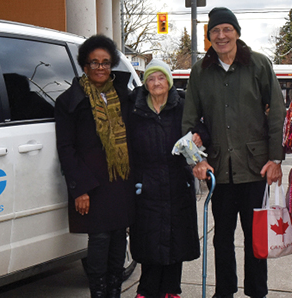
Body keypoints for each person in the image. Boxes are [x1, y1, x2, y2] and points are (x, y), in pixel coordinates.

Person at [182, 7, 286, 298]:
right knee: (222, 240)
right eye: (215, 31)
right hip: (219, 171)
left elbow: (277, 113)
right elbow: (189, 121)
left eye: (227, 29)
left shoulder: (259, 65)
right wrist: (197, 160)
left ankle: (257, 292)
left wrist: (276, 159)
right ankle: (224, 292)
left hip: (256, 169)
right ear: (209, 37)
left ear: (237, 33)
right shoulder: (200, 73)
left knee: (256, 238)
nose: (221, 35)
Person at [55, 35, 135, 298]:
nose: (100, 68)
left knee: (117, 247)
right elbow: (66, 148)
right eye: (94, 63)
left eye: (105, 63)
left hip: (120, 183)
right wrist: (80, 189)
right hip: (93, 185)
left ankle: (114, 294)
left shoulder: (124, 96)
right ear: (84, 66)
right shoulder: (69, 101)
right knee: (99, 244)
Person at [128, 59, 201, 298]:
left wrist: (200, 137)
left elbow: (205, 125)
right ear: (145, 82)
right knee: (149, 239)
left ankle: (171, 290)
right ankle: (146, 290)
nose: (156, 83)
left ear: (169, 81)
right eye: (151, 78)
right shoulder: (134, 108)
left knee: (175, 237)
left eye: (161, 78)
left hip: (178, 180)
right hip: (145, 182)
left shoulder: (183, 105)